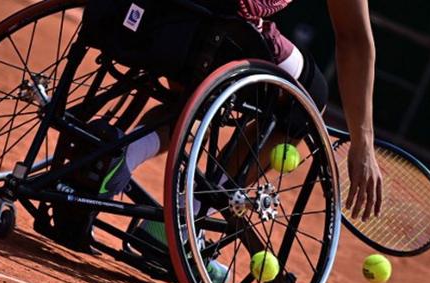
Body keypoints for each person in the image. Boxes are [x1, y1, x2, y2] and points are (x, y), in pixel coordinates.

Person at [98, 0, 383, 224]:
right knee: (311, 95)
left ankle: (116, 156)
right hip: (210, 33)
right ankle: (189, 217)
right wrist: (363, 142)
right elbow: (353, 39)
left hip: (145, 15)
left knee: (192, 103)